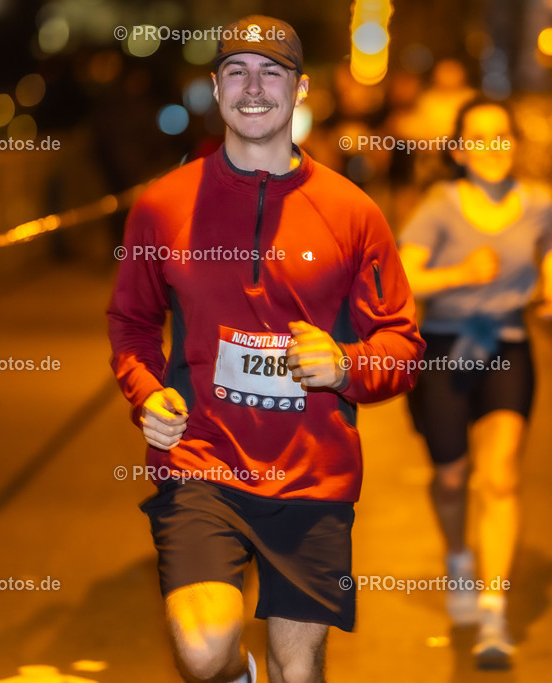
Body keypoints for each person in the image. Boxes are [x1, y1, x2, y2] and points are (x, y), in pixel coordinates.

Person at [107, 15, 424, 683]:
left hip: (312, 474)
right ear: (217, 89)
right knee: (202, 651)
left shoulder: (352, 211)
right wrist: (146, 394)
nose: (254, 88)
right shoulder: (162, 207)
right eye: (236, 72)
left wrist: (345, 364)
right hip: (200, 460)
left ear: (301, 88)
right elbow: (132, 321)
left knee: (298, 668)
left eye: (271, 72)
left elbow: (402, 343)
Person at [398, 96, 552, 669]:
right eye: (480, 137)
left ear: (514, 144)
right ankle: (459, 560)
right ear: (459, 148)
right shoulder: (439, 206)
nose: (493, 148)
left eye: (503, 136)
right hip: (443, 346)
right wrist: (460, 275)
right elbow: (403, 276)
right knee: (452, 477)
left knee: (500, 475)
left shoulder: (538, 202)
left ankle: (494, 612)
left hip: (507, 345)